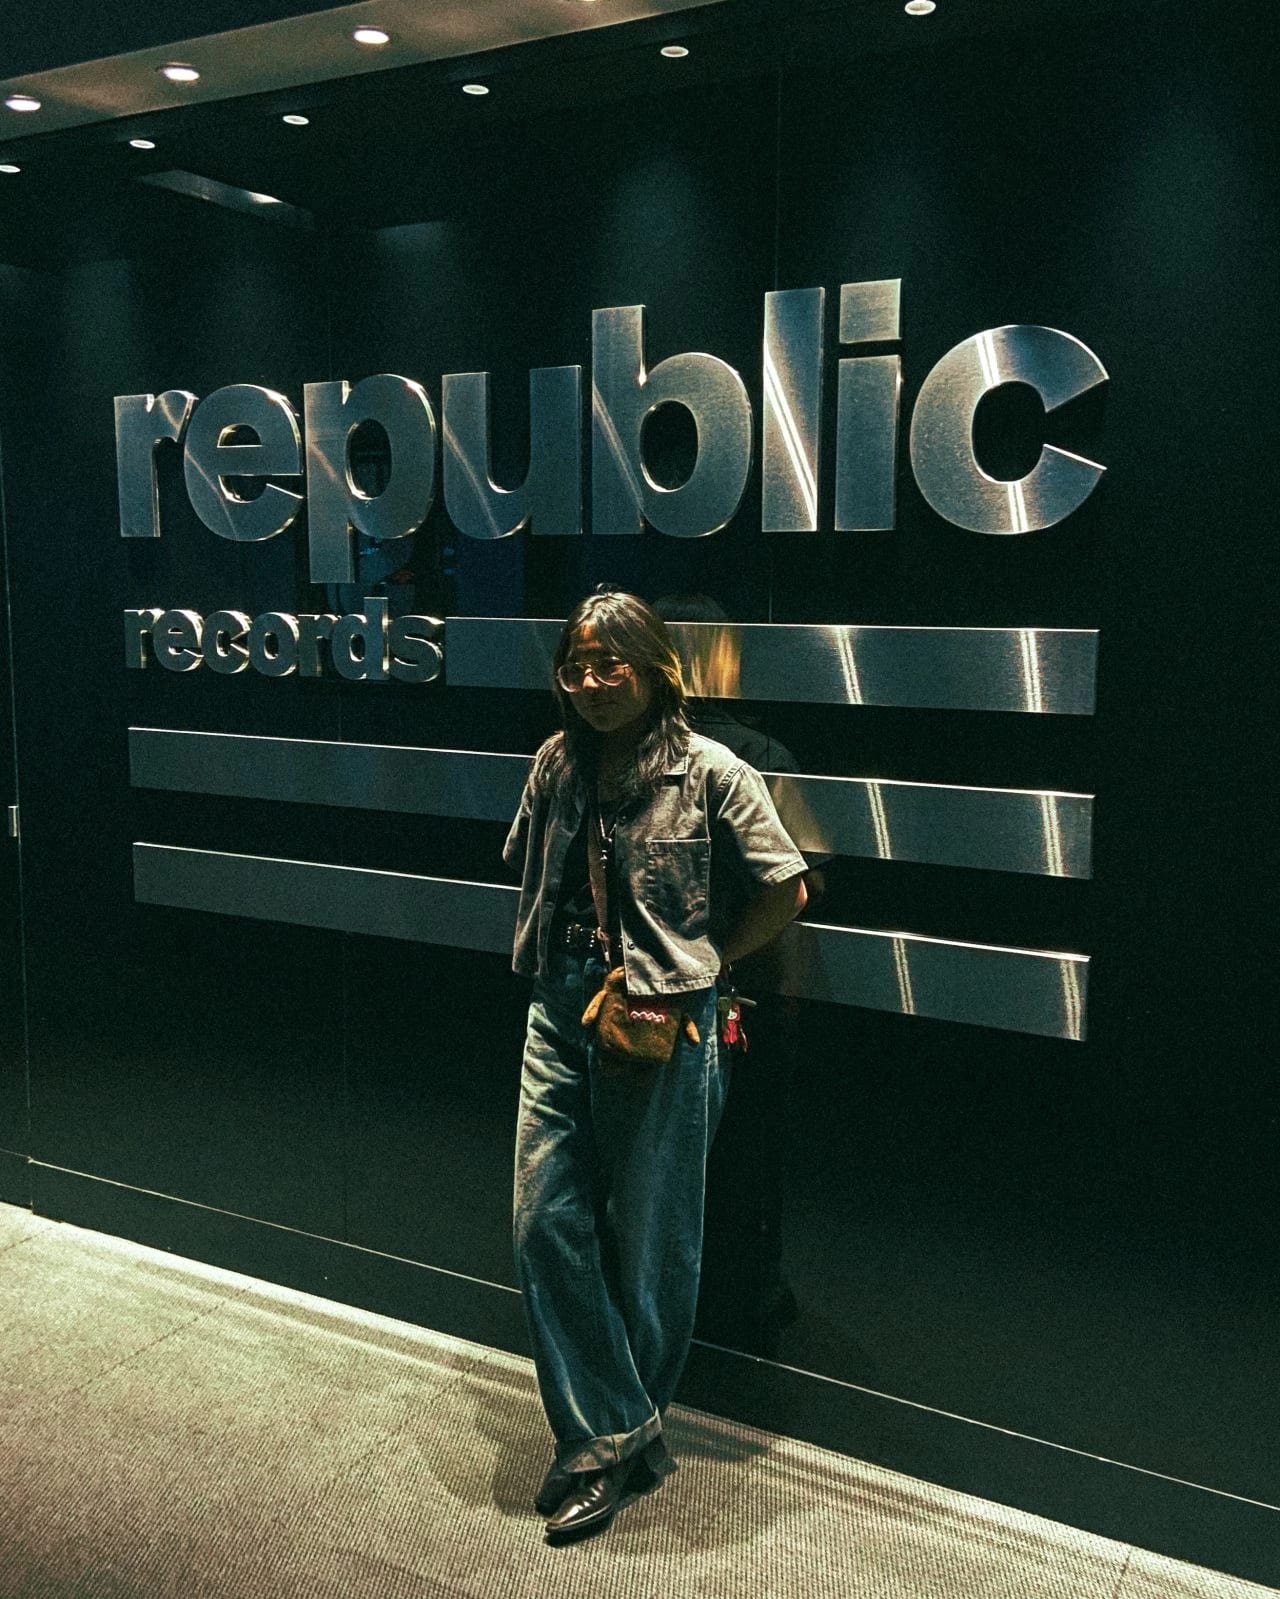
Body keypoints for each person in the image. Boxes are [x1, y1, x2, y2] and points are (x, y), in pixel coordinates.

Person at [503, 588, 808, 1545]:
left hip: (662, 1022)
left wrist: (706, 964)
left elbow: (786, 888)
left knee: (652, 1239)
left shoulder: (713, 769)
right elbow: (530, 867)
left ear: (655, 666)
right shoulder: (557, 761)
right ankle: (620, 1432)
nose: (592, 683)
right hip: (560, 1007)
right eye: (577, 666)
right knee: (542, 1219)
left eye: (612, 664)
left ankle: (602, 1444)